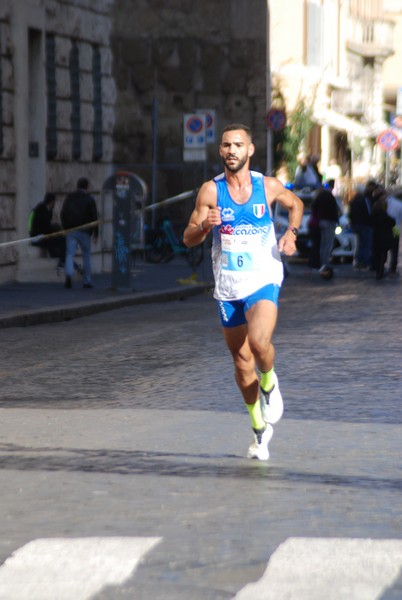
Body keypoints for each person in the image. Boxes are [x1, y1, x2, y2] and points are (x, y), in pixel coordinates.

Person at [183, 123, 303, 461]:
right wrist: (206, 226)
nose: (231, 150)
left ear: (250, 150)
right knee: (240, 361)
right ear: (220, 151)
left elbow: (296, 205)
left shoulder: (268, 186)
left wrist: (291, 233)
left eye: (238, 144)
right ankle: (258, 430)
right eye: (226, 145)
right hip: (228, 286)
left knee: (260, 341)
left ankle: (270, 382)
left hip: (263, 277)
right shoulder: (210, 192)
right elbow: (188, 237)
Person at [61, 178, 98, 289]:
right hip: (85, 231)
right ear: (87, 187)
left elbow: (63, 213)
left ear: (77, 186)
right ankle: (87, 281)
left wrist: (65, 227)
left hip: (71, 230)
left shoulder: (69, 197)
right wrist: (96, 232)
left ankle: (68, 274)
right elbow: (94, 216)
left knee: (69, 254)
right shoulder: (89, 199)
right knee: (86, 255)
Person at [29, 192, 66, 268]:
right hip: (38, 237)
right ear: (52, 201)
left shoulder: (47, 210)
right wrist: (56, 229)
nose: (55, 204)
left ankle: (56, 256)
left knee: (56, 236)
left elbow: (47, 227)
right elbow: (45, 228)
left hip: (43, 235)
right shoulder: (41, 210)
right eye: (54, 202)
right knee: (62, 240)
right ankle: (62, 262)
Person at [348, 180, 378, 270]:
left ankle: (359, 261)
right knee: (366, 244)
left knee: (360, 244)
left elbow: (350, 213)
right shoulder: (365, 199)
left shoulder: (354, 200)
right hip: (365, 224)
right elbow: (369, 212)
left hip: (357, 224)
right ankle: (364, 261)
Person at [312, 180, 340, 272]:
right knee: (328, 244)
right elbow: (334, 211)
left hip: (322, 221)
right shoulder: (329, 196)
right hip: (329, 222)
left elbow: (314, 206)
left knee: (323, 244)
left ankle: (322, 262)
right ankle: (325, 264)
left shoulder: (320, 196)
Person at [371, 193, 396, 280]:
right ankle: (380, 272)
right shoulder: (384, 215)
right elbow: (393, 222)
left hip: (376, 238)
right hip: (384, 238)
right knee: (382, 256)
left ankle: (378, 271)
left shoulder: (373, 215)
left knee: (377, 256)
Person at [385, 190, 402, 276]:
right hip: (396, 228)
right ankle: (393, 266)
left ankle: (384, 264)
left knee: (384, 245)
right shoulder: (399, 204)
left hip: (385, 227)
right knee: (394, 247)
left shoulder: (385, 203)